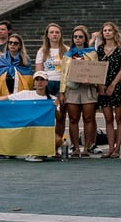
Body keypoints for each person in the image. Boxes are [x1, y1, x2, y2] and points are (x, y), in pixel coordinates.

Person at [62, 26, 98, 158]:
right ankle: (76, 147)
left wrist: (91, 80)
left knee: (88, 118)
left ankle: (87, 147)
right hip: (72, 89)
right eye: (75, 37)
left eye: (80, 37)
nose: (78, 39)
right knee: (73, 119)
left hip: (88, 88)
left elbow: (96, 71)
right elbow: (63, 74)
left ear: (85, 38)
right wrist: (62, 92)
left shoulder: (92, 53)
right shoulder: (68, 54)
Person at [96, 22, 121, 160]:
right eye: (105, 30)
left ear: (115, 32)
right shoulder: (99, 49)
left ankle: (117, 148)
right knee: (108, 118)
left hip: (118, 85)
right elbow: (97, 68)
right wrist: (100, 85)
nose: (107, 32)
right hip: (103, 84)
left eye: (110, 30)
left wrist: (113, 84)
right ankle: (110, 148)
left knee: (119, 118)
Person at [34, 23, 68, 152]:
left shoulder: (66, 50)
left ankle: (56, 145)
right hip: (47, 83)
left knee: (60, 116)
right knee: (45, 115)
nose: (54, 35)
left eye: (57, 32)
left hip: (61, 83)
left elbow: (69, 71)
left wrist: (62, 91)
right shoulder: (42, 51)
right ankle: (44, 144)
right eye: (52, 32)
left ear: (60, 35)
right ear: (47, 35)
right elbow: (39, 71)